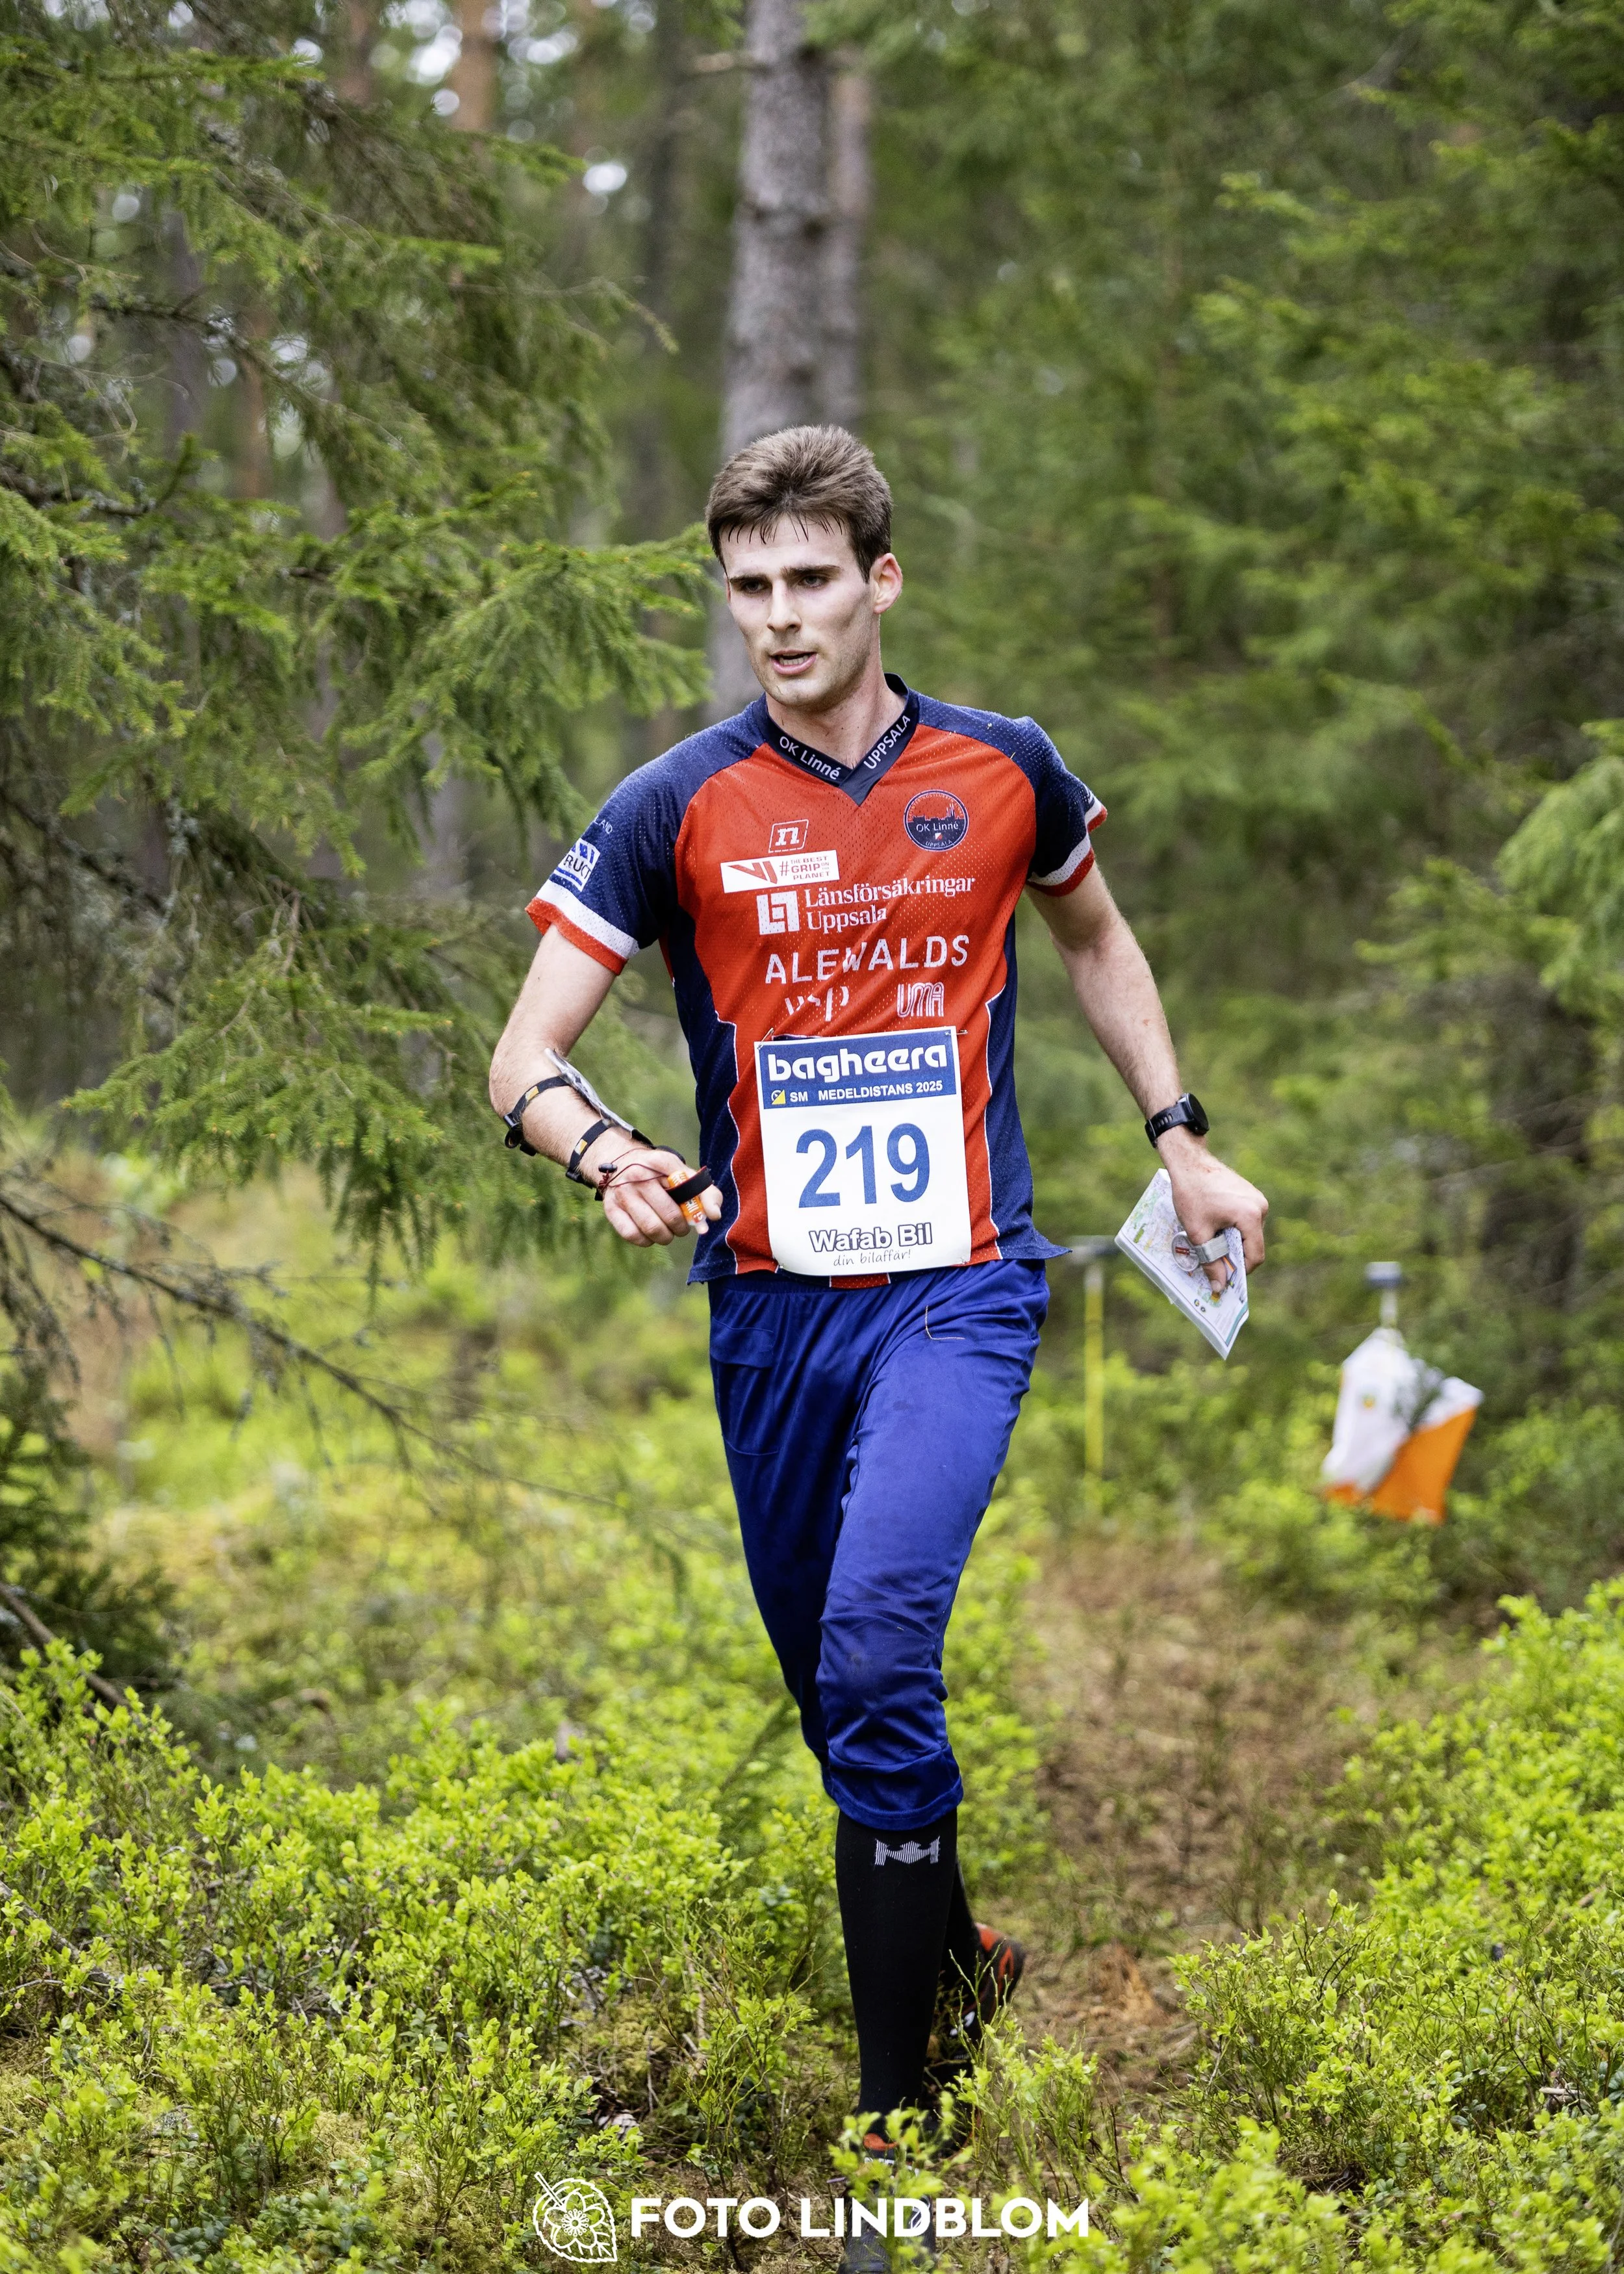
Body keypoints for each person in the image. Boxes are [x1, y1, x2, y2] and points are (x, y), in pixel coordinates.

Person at [488, 425, 1267, 2187]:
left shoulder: (1003, 769)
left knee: (870, 1650)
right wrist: (601, 1146)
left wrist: (1180, 1135)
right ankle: (966, 1961)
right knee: (845, 1699)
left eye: (808, 583)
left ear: (879, 581)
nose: (776, 618)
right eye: (747, 588)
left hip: (958, 1287)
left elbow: (1091, 937)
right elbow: (523, 1055)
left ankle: (897, 2107)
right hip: (768, 1308)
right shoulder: (675, 800)